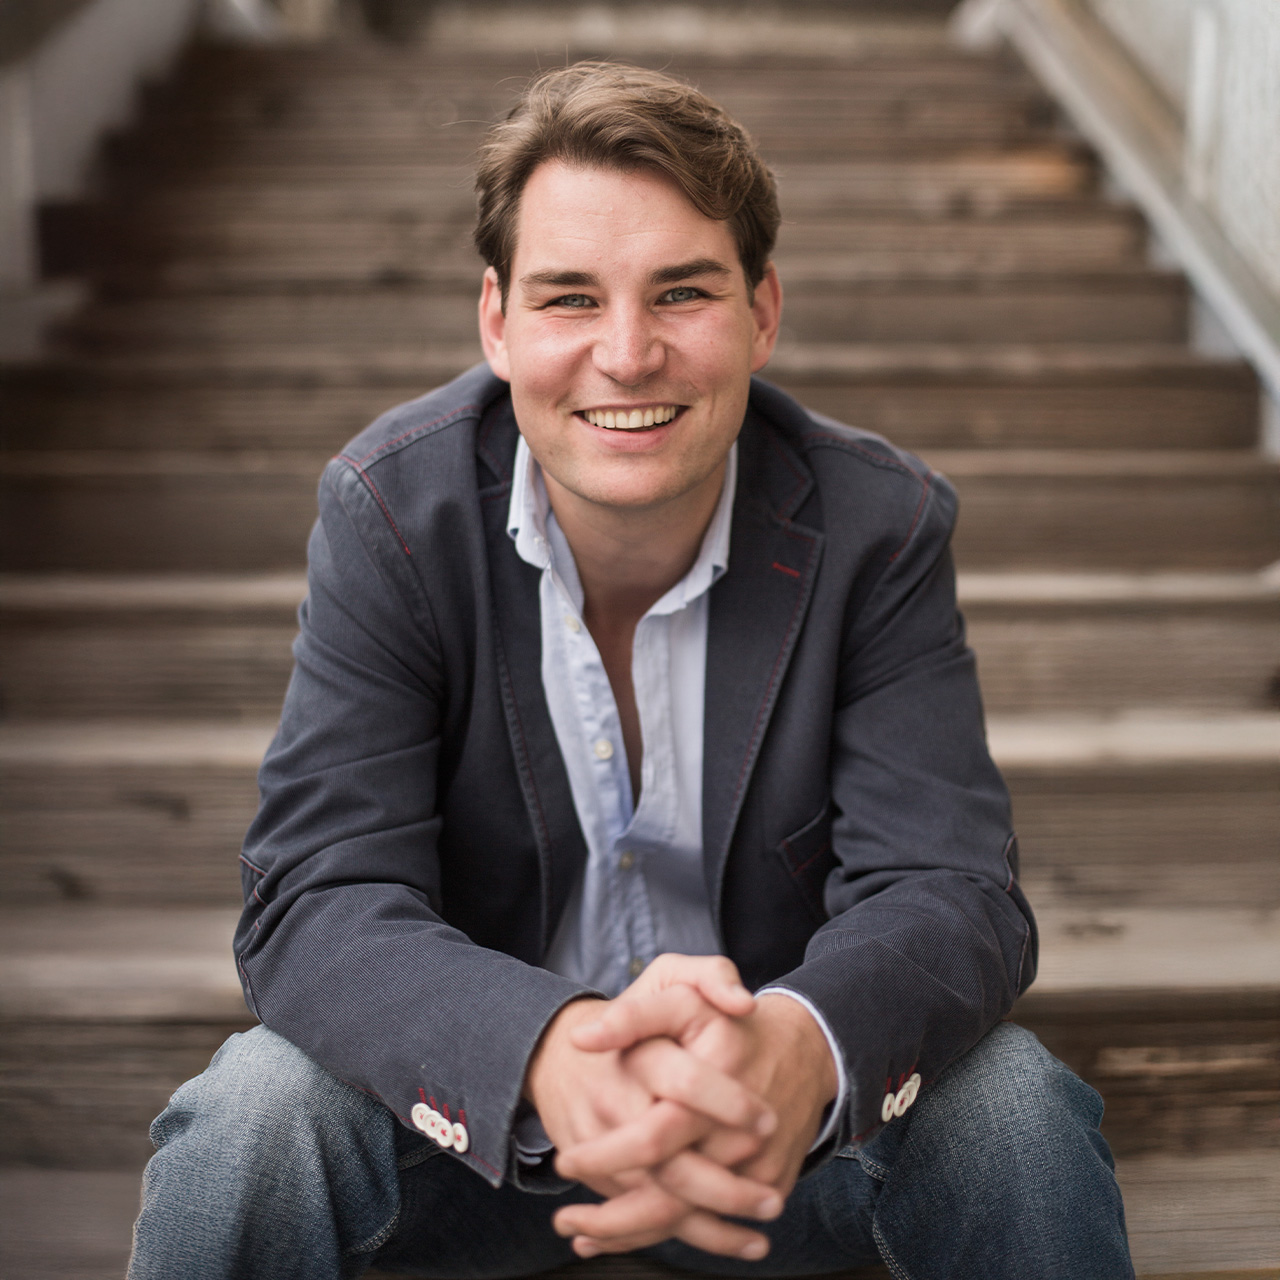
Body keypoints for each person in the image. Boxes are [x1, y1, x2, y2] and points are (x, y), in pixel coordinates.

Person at [128, 62, 1134, 1279]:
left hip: (775, 1141)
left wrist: (799, 1044)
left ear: (761, 309)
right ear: (496, 321)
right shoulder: (391, 513)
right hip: (478, 1136)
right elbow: (315, 892)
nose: (626, 352)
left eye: (681, 292)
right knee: (252, 1110)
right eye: (569, 297)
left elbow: (950, 887)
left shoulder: (879, 525)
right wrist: (541, 1048)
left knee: (1012, 1106)